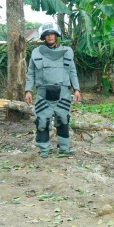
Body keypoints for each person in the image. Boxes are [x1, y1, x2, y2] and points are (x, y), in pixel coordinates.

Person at [24, 22, 81, 158]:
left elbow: (72, 72)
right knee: (42, 122)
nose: (50, 37)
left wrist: (76, 89)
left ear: (56, 36)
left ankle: (64, 149)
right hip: (43, 92)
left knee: (63, 119)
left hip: (62, 92)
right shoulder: (36, 53)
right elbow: (30, 73)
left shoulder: (67, 52)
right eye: (47, 35)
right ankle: (44, 150)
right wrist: (28, 90)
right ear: (44, 37)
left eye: (52, 34)